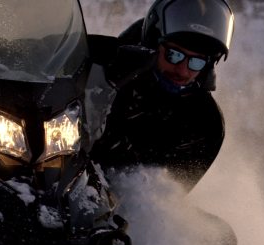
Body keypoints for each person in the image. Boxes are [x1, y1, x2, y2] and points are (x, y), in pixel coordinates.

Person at [90, 0, 235, 192]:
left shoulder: (205, 124)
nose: (183, 71)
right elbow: (49, 57)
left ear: (208, 66)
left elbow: (167, 197)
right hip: (53, 163)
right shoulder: (101, 61)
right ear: (153, 43)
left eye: (197, 63)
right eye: (174, 55)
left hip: (108, 206)